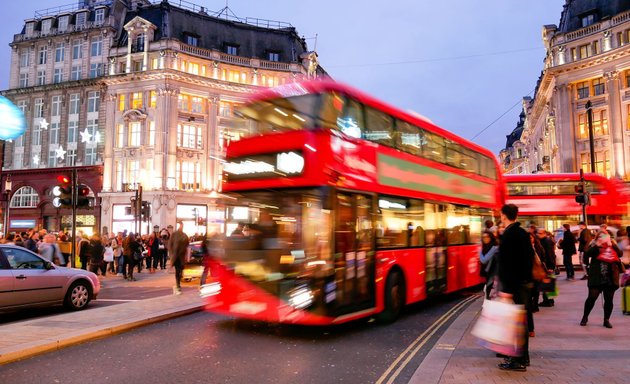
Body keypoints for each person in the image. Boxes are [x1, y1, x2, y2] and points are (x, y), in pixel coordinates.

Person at [496, 204, 534, 372]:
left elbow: (508, 265)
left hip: (514, 286)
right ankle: (523, 357)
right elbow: (529, 258)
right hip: (524, 284)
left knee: (514, 323)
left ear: (504, 215)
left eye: (501, 215)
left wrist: (507, 289)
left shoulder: (509, 234)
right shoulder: (522, 233)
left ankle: (517, 360)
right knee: (521, 323)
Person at [580, 232, 625, 328]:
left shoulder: (612, 245)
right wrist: (597, 245)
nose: (604, 239)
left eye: (606, 236)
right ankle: (585, 317)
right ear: (598, 238)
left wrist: (613, 244)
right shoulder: (594, 245)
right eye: (601, 237)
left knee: (609, 300)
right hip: (597, 277)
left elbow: (620, 254)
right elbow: (586, 255)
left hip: (610, 277)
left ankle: (606, 320)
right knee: (591, 298)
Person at [537, 229, 556, 307]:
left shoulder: (546, 241)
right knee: (549, 283)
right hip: (548, 265)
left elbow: (549, 254)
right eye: (538, 233)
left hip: (547, 266)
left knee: (546, 283)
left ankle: (547, 301)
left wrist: (551, 266)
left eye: (540, 233)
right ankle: (550, 300)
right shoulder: (545, 240)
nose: (538, 234)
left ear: (544, 233)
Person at [169, 221, 189, 295]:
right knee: (178, 270)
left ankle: (178, 283)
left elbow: (187, 246)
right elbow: (170, 245)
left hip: (181, 256)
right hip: (176, 256)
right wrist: (171, 255)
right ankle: (178, 284)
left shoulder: (184, 236)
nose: (181, 226)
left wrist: (187, 256)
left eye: (182, 225)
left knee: (181, 270)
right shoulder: (174, 235)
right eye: (180, 225)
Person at [479, 230, 499, 299]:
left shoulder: (494, 248)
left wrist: (480, 251)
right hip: (489, 272)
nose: (485, 239)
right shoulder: (485, 247)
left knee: (490, 287)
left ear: (491, 237)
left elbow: (483, 260)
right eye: (483, 237)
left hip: (494, 273)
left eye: (487, 237)